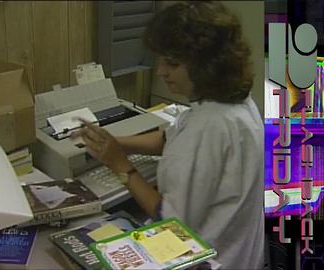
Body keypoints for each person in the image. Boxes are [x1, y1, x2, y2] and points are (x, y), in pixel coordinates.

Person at [72, 2, 264, 269]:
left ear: (206, 65)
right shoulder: (234, 102)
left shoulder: (209, 127)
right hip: (241, 251)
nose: (161, 71)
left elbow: (172, 223)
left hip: (209, 257)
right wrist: (117, 144)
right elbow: (169, 139)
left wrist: (121, 167)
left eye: (171, 63)